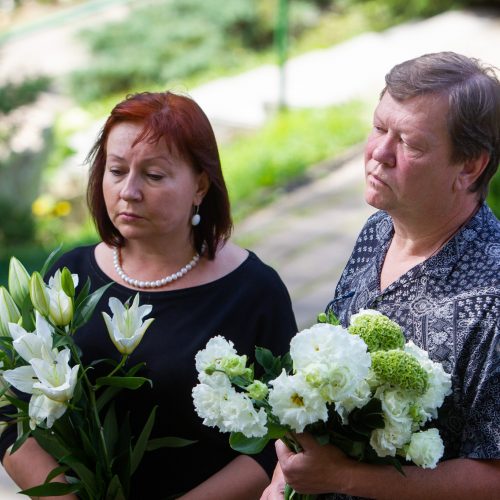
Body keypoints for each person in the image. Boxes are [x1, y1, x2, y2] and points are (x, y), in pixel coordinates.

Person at [0, 91, 298, 499]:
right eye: (116, 170)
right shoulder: (68, 276)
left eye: (154, 176)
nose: (129, 191)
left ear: (200, 185)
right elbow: (13, 417)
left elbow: (278, 441)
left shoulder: (253, 292)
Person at [261, 51, 500, 499]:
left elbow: (495, 477)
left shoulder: (494, 295)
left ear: (469, 166)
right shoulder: (378, 231)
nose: (378, 154)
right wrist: (282, 481)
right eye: (378, 128)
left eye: (409, 143)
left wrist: (343, 478)